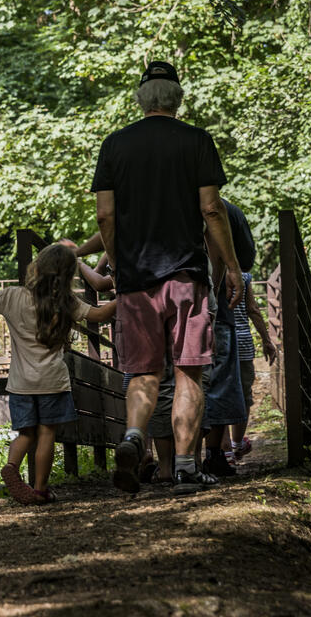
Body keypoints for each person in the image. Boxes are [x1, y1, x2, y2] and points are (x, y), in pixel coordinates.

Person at [91, 60, 244, 497]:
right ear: (177, 99)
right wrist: (231, 268)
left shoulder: (115, 145)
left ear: (141, 100)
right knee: (189, 373)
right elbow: (212, 209)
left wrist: (119, 264)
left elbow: (105, 214)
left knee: (143, 373)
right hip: (186, 277)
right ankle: (184, 469)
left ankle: (134, 437)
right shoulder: (196, 141)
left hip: (136, 281)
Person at [0, 243, 116, 505]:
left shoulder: (13, 296)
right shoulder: (66, 302)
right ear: (68, 275)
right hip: (53, 382)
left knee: (25, 434)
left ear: (38, 267)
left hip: (20, 384)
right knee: (47, 435)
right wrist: (123, 299)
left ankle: (11, 467)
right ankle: (41, 489)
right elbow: (99, 314)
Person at [200, 199, 257, 477]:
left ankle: (177, 458)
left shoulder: (162, 203)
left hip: (168, 306)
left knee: (177, 380)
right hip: (219, 307)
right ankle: (214, 455)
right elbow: (246, 260)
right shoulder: (228, 210)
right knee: (218, 379)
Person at [226, 270, 277, 462]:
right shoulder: (243, 277)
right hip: (242, 343)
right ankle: (236, 444)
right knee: (243, 393)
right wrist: (266, 340)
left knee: (219, 392)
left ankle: (223, 448)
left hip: (218, 342)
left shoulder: (209, 274)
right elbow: (253, 309)